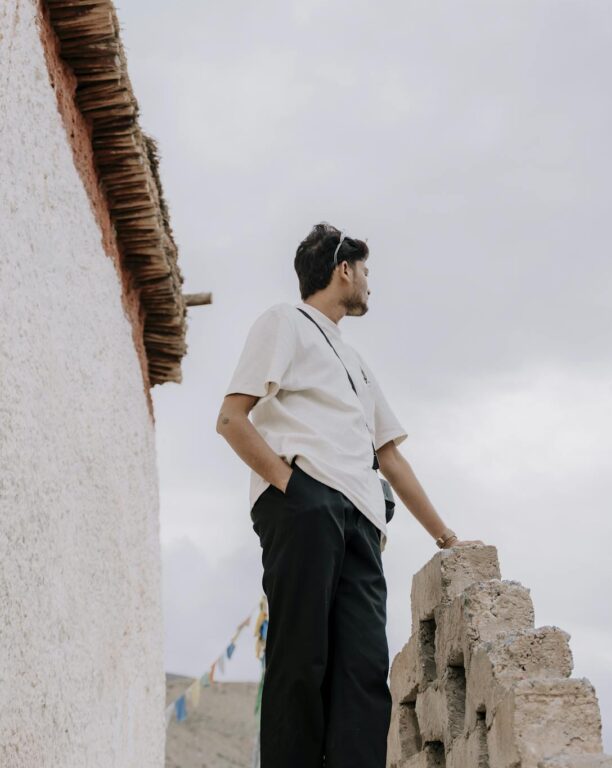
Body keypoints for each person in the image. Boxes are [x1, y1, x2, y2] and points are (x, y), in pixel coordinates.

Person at [216, 222, 483, 768]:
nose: (368, 282)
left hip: (363, 519)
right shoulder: (282, 322)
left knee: (364, 675)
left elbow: (391, 457)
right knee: (301, 662)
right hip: (305, 504)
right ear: (343, 269)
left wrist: (446, 537)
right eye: (365, 271)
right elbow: (230, 418)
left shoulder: (358, 364)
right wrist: (295, 488)